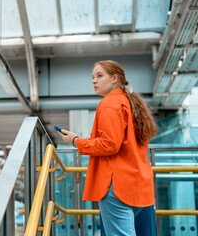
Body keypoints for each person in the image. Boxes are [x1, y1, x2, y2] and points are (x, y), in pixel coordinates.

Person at [57, 60, 158, 235]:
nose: (93, 81)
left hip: (116, 185)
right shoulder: (131, 103)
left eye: (99, 76)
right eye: (93, 77)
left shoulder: (110, 104)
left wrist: (76, 141)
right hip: (137, 184)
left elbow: (109, 145)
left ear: (114, 78)